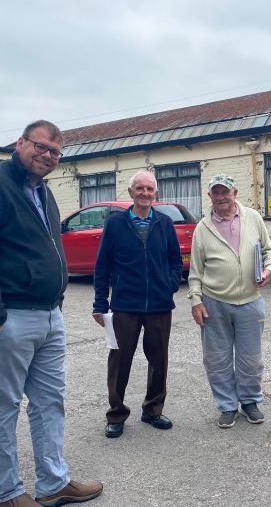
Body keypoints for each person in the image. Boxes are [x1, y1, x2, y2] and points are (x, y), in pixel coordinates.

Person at [0, 120, 102, 507]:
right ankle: (9, 495)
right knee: (3, 407)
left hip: (48, 316)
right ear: (20, 143)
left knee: (49, 402)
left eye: (55, 152)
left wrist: (56, 304)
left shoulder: (44, 192)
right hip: (9, 317)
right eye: (40, 147)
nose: (48, 156)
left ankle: (53, 483)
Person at [92, 171, 183, 439]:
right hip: (125, 305)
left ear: (156, 194)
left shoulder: (165, 223)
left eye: (150, 189)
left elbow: (175, 260)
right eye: (140, 188)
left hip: (159, 305)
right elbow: (103, 265)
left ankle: (153, 409)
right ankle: (117, 413)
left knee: (159, 360)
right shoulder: (116, 223)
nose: (145, 193)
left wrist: (169, 285)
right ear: (131, 193)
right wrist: (100, 302)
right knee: (120, 360)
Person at [188, 174, 271, 428]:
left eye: (224, 192)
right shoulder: (202, 230)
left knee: (251, 358)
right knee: (217, 358)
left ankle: (249, 402)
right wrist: (196, 301)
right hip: (214, 302)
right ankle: (227, 405)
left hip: (250, 301)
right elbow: (195, 272)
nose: (220, 197)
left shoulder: (253, 218)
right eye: (215, 193)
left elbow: (269, 251)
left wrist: (269, 270)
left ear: (234, 193)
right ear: (209, 197)